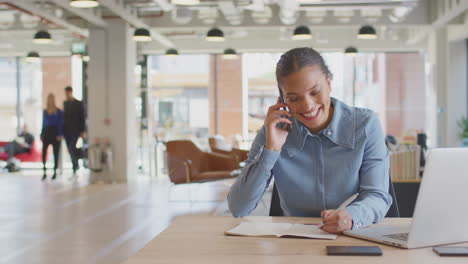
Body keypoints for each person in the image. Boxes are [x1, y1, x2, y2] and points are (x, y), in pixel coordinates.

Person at [228, 47, 392, 234]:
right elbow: (238, 207)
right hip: (295, 242)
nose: (307, 105)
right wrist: (271, 150)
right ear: (282, 99)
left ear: (329, 83)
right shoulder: (273, 130)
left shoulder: (365, 125)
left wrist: (351, 216)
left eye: (314, 92)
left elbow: (378, 196)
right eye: (294, 98)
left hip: (353, 235)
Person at [63, 86, 86, 175]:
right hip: (67, 131)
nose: (66, 95)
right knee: (70, 149)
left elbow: (82, 117)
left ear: (71, 92)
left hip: (75, 131)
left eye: (68, 93)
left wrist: (83, 131)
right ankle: (75, 166)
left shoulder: (78, 103)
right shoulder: (65, 103)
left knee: (72, 148)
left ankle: (75, 167)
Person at [41, 94, 63, 181]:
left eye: (52, 99)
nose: (50, 100)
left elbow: (60, 124)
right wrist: (41, 134)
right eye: (49, 99)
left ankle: (54, 172)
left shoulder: (58, 111)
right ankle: (44, 172)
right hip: (46, 133)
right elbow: (43, 124)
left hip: (55, 133)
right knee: (44, 153)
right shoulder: (45, 111)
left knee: (55, 153)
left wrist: (60, 134)